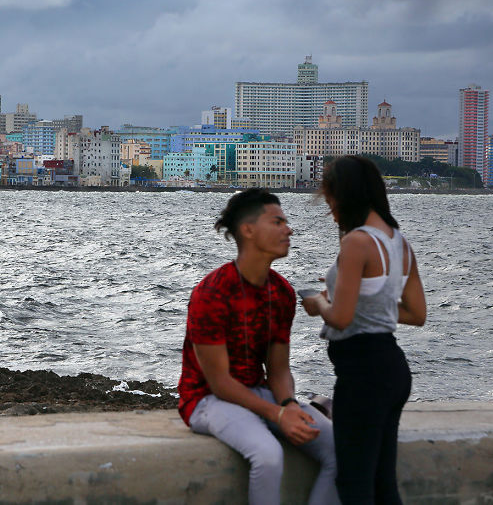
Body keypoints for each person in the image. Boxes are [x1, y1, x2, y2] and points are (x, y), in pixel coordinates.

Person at [178, 188, 339, 505]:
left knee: (341, 448)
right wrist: (278, 416)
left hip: (259, 392)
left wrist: (290, 405)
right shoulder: (211, 292)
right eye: (277, 222)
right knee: (268, 455)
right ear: (248, 230)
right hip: (206, 400)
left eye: (286, 222)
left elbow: (278, 370)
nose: (288, 229)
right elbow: (219, 383)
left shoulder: (281, 293)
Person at [301, 155, 427, 504]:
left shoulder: (356, 242)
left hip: (363, 373)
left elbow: (340, 318)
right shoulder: (400, 243)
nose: (331, 212)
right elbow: (416, 313)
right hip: (393, 369)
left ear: (345, 196)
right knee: (383, 482)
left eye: (330, 202)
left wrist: (318, 303)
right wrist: (357, 303)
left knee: (354, 483)